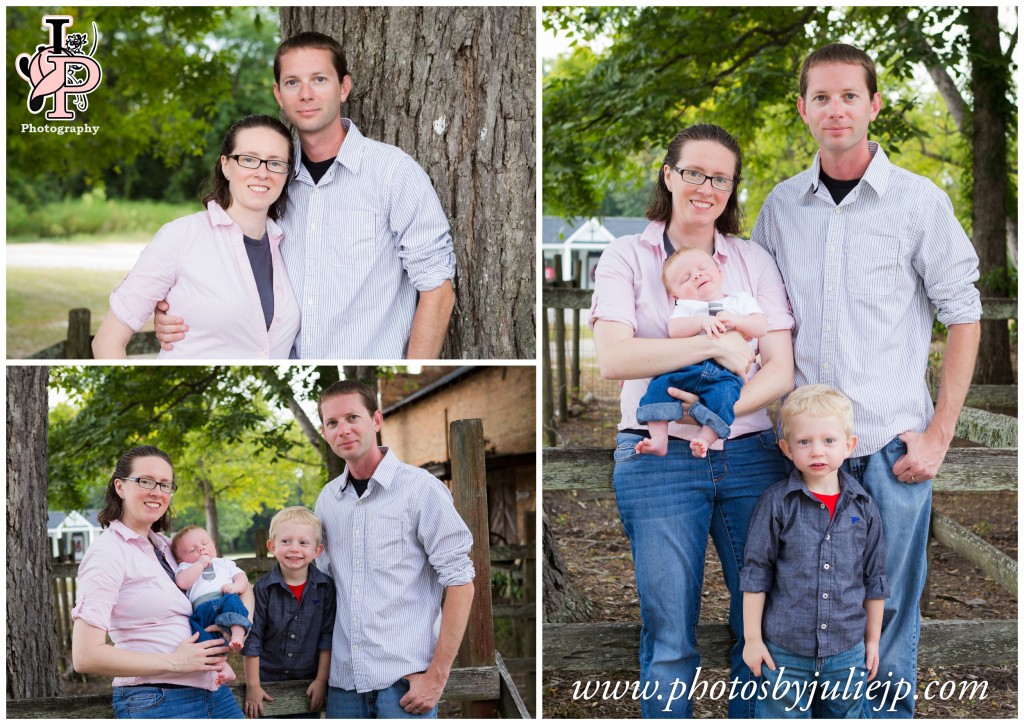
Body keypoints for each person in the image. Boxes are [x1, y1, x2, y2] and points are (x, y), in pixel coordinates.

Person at [751, 43, 981, 717]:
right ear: (803, 110)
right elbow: (762, 320)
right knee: (800, 599)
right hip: (797, 451)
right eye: (821, 97)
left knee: (890, 609)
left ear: (874, 104)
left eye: (850, 94)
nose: (836, 108)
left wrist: (940, 433)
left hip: (887, 448)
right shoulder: (781, 206)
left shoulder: (918, 202)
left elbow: (964, 315)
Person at [589, 122, 795, 718]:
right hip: (656, 462)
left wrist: (715, 410)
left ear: (732, 188)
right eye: (695, 173)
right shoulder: (626, 255)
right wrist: (714, 351)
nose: (706, 187)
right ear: (669, 175)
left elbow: (778, 370)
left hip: (750, 454)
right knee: (669, 635)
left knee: (763, 621)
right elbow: (615, 358)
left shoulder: (752, 260)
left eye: (721, 178)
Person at [155, 31, 455, 359]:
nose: (306, 94)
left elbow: (437, 290)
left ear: (344, 88)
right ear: (278, 94)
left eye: (319, 79)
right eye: (293, 82)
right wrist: (174, 315)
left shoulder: (392, 173)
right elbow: (224, 266)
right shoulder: (268, 184)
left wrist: (414, 370)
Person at [314, 380, 475, 718]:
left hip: (404, 686)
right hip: (344, 686)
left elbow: (460, 582)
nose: (343, 429)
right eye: (332, 422)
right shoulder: (328, 500)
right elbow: (323, 586)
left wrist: (436, 677)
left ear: (376, 420)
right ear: (325, 431)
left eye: (352, 417)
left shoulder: (421, 490)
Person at [91, 114, 301, 359]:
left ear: (286, 173)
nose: (262, 173)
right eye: (249, 159)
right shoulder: (180, 237)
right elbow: (107, 343)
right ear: (226, 165)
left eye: (275, 163)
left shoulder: (289, 245)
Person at [741, 385, 888, 718]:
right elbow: (756, 573)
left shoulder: (864, 507)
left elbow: (874, 578)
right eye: (804, 442)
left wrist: (873, 641)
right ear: (787, 448)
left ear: (850, 445)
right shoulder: (777, 503)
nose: (817, 451)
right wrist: (752, 639)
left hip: (847, 650)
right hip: (784, 651)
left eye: (829, 441)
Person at [70, 446, 246, 718]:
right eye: (145, 481)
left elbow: (237, 585)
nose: (157, 492)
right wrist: (175, 662)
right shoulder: (107, 553)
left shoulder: (168, 548)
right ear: (120, 487)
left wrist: (234, 626)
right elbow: (85, 656)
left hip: (213, 690)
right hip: (158, 698)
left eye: (165, 485)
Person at [636, 246, 767, 458]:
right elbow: (674, 330)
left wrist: (737, 320)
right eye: (685, 278)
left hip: (725, 373)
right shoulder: (687, 307)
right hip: (687, 367)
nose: (696, 275)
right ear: (675, 295)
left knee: (725, 398)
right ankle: (659, 439)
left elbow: (760, 327)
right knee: (658, 386)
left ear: (719, 273)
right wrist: (702, 321)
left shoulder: (740, 300)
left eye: (702, 268)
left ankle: (705, 440)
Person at [242, 506, 336, 718]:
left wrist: (321, 680)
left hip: (308, 682)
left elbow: (327, 637)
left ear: (317, 551)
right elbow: (253, 638)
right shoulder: (263, 589)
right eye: (286, 541)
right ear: (272, 546)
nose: (295, 548)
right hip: (267, 681)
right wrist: (253, 686)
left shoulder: (325, 588)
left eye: (303, 543)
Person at [172, 525, 252, 656]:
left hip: (225, 598)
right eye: (193, 550)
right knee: (198, 632)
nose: (201, 548)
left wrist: (236, 587)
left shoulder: (225, 563)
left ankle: (238, 634)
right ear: (180, 559)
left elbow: (241, 577)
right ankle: (219, 663)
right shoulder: (185, 567)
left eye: (205, 544)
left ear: (214, 546)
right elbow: (183, 583)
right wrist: (200, 563)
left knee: (235, 603)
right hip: (202, 608)